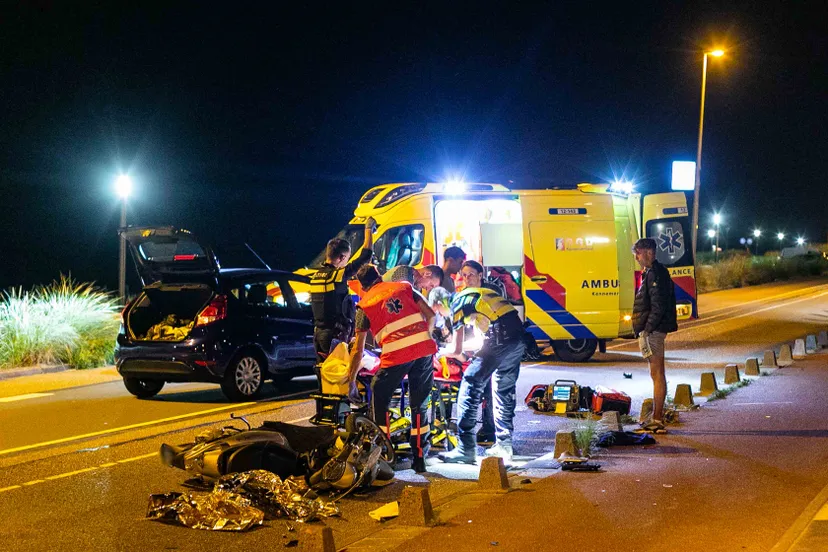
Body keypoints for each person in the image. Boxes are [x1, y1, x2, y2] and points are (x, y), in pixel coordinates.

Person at [347, 265, 437, 473]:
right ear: (379, 276)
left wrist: (351, 379)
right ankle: (420, 459)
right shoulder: (405, 287)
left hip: (396, 354)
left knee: (379, 396)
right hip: (424, 351)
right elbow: (431, 315)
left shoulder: (365, 305)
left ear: (362, 286)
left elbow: (358, 349)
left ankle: (384, 459)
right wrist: (426, 337)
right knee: (419, 406)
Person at [438, 260, 525, 464]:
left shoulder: (460, 299)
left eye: (470, 274)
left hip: (499, 339)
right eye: (464, 275)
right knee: (502, 390)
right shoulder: (486, 294)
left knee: (470, 383)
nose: (466, 278)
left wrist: (440, 352)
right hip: (517, 339)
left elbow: (457, 350)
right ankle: (504, 445)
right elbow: (481, 338)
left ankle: (465, 448)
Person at [310, 218, 375, 363]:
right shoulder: (336, 275)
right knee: (338, 376)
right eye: (347, 259)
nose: (347, 262)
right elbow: (365, 257)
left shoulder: (315, 276)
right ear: (341, 257)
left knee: (325, 375)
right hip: (334, 336)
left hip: (319, 335)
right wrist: (369, 229)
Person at [631, 238, 678, 434]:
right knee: (656, 373)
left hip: (654, 332)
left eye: (638, 253)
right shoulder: (654, 272)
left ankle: (657, 419)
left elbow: (657, 306)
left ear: (647, 252)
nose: (636, 257)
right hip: (655, 330)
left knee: (657, 374)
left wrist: (647, 329)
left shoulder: (655, 274)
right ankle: (656, 418)